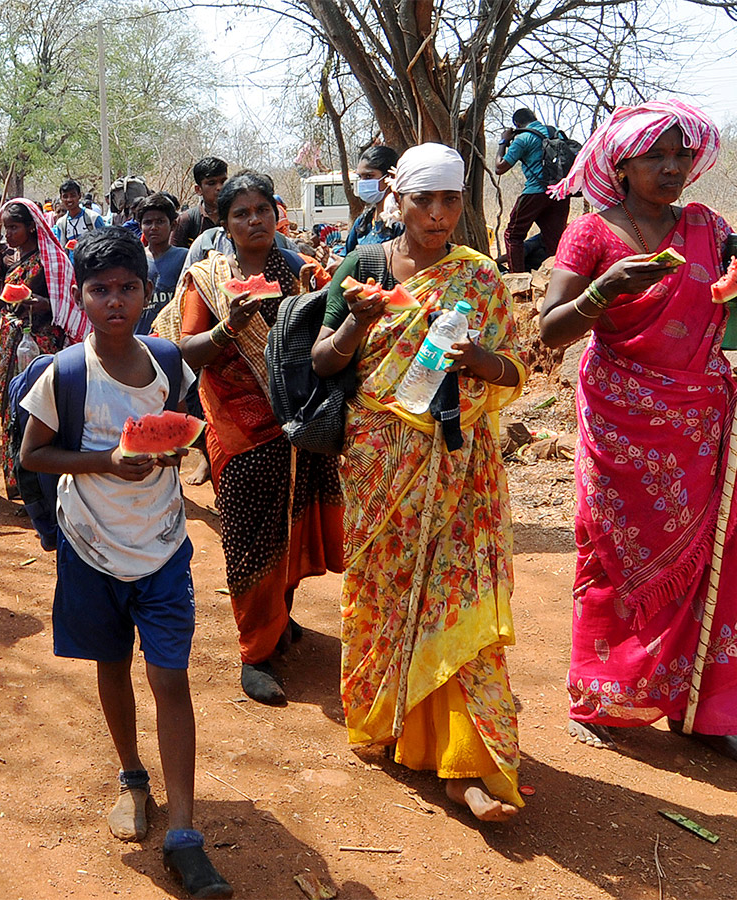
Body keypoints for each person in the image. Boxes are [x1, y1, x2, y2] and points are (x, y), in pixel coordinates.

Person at [311, 143, 528, 822]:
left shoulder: (483, 279)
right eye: (422, 200)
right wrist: (360, 317)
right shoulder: (363, 266)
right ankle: (391, 720)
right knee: (386, 590)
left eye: (450, 201)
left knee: (455, 598)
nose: (437, 215)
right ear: (396, 199)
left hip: (464, 468)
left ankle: (471, 761)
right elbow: (321, 363)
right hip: (380, 462)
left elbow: (515, 371)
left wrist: (481, 360)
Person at [19, 227, 231, 900]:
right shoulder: (67, 374)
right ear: (81, 298)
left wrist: (174, 455)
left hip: (164, 547)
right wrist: (106, 461)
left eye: (128, 288)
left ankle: (186, 835)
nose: (115, 301)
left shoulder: (169, 361)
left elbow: (185, 433)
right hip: (91, 547)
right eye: (100, 290)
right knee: (113, 666)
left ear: (147, 292)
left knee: (172, 682)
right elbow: (33, 455)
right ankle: (133, 776)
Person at [539, 100, 737, 760]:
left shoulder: (709, 227)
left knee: (710, 556)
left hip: (701, 423)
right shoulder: (592, 236)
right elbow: (550, 329)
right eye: (658, 156)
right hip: (621, 421)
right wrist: (607, 291)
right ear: (620, 165)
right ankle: (601, 693)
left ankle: (707, 709)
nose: (674, 168)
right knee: (613, 553)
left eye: (683, 155)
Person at [154, 173, 342, 705]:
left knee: (293, 521)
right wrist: (228, 328)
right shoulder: (205, 279)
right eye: (242, 213)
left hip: (297, 419)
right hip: (237, 427)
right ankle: (254, 652)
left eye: (263, 209)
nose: (254, 220)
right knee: (249, 536)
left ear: (277, 214)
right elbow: (184, 352)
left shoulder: (301, 271)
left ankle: (280, 614)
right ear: (224, 222)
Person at [0, 197, 87, 500]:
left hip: (41, 345)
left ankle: (43, 485)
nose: (8, 234)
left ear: (32, 227)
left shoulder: (52, 261)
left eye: (14, 228)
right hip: (12, 341)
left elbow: (65, 305)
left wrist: (40, 303)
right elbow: (8, 301)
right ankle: (19, 484)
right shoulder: (11, 259)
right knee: (10, 405)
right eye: (5, 228)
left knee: (39, 410)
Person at [495, 107, 572, 273]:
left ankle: (518, 279)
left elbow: (500, 168)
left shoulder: (523, 138)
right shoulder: (555, 132)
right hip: (560, 193)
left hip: (535, 192)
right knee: (555, 239)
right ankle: (556, 276)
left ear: (517, 124)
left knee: (513, 235)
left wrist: (503, 142)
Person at [135, 192, 188, 335]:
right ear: (140, 226)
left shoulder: (184, 257)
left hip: (174, 336)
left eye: (160, 221)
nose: (153, 227)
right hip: (141, 336)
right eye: (147, 222)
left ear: (173, 224)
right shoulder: (134, 259)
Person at [344, 146, 403, 256]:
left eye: (369, 176)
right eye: (360, 177)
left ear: (390, 177)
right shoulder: (363, 222)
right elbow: (345, 257)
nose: (363, 182)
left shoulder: (400, 224)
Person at [172, 157, 228, 249]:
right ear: (198, 190)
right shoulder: (187, 220)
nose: (219, 187)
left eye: (223, 181)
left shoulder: (236, 217)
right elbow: (175, 257)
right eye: (211, 183)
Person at [53, 179, 104, 248]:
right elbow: (62, 249)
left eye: (73, 195)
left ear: (79, 196)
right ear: (61, 198)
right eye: (65, 197)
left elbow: (104, 243)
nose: (69, 199)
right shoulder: (61, 224)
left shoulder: (93, 218)